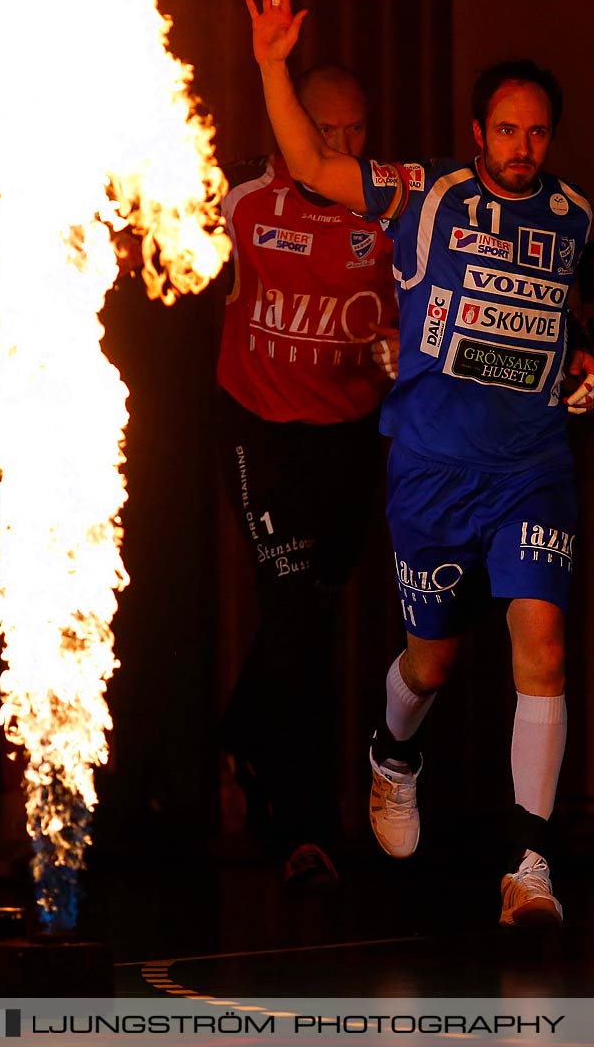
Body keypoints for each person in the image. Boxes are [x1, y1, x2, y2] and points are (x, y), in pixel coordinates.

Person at [244, 0, 594, 926]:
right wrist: (273, 65)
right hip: (433, 470)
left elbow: (558, 321)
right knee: (432, 665)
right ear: (478, 132)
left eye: (538, 133)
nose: (523, 149)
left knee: (545, 647)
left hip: (532, 466)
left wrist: (584, 365)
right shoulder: (424, 195)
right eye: (507, 131)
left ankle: (531, 867)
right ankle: (393, 755)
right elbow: (316, 171)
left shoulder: (572, 219)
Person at [212, 62, 398, 889]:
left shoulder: (396, 207)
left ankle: (240, 734)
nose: (341, 145)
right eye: (325, 130)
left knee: (313, 613)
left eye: (355, 130)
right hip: (258, 428)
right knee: (294, 614)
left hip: (350, 437)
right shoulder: (243, 196)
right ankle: (304, 826)